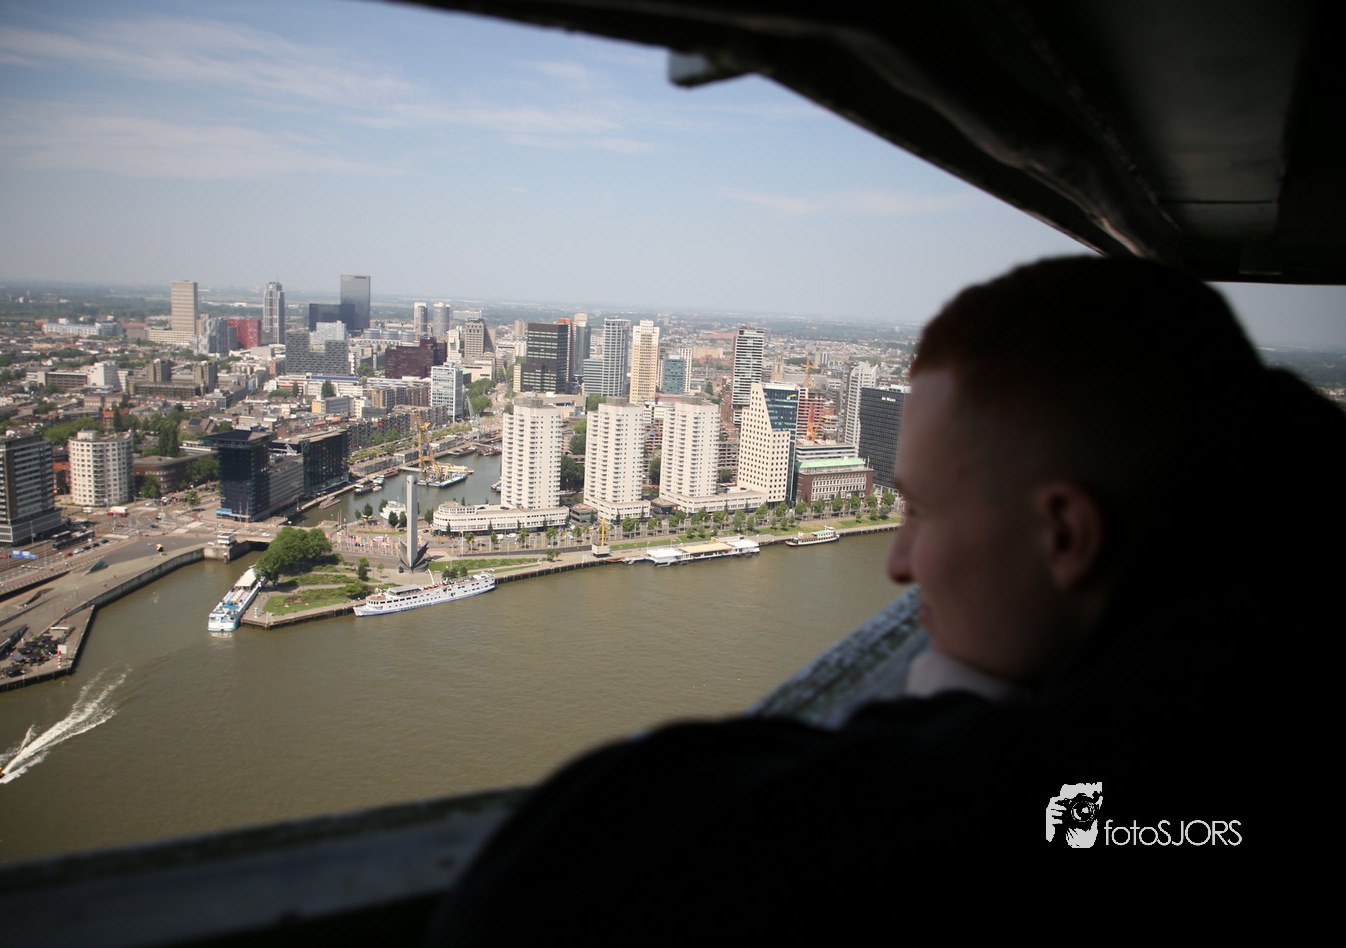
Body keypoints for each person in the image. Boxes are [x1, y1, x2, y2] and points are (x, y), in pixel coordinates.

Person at [425, 257, 1342, 943]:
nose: (898, 563)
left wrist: (954, 720)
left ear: (1066, 536)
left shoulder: (1066, 800)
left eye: (923, 510)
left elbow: (543, 886)